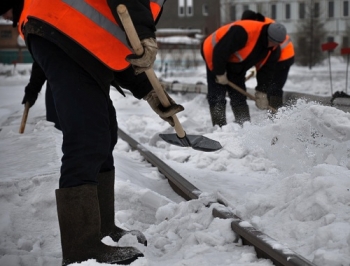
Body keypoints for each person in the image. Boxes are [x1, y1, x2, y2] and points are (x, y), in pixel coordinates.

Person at [2, 0, 184, 265]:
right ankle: (81, 246)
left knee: (105, 132)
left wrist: (150, 92)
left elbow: (114, 45)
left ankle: (101, 227)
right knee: (87, 136)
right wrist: (146, 35)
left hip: (78, 39)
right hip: (60, 27)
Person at [201, 19, 285, 127]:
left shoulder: (273, 49)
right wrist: (219, 73)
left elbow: (266, 71)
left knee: (238, 94)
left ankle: (244, 125)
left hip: (236, 62)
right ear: (267, 35)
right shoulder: (243, 32)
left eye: (276, 43)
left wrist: (261, 92)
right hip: (213, 53)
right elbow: (221, 51)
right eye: (271, 41)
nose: (272, 45)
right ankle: (219, 126)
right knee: (217, 94)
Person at [241, 10, 295, 110]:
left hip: (283, 57)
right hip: (277, 56)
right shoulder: (261, 23)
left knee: (275, 87)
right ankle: (272, 109)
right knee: (270, 85)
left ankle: (276, 112)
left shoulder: (264, 26)